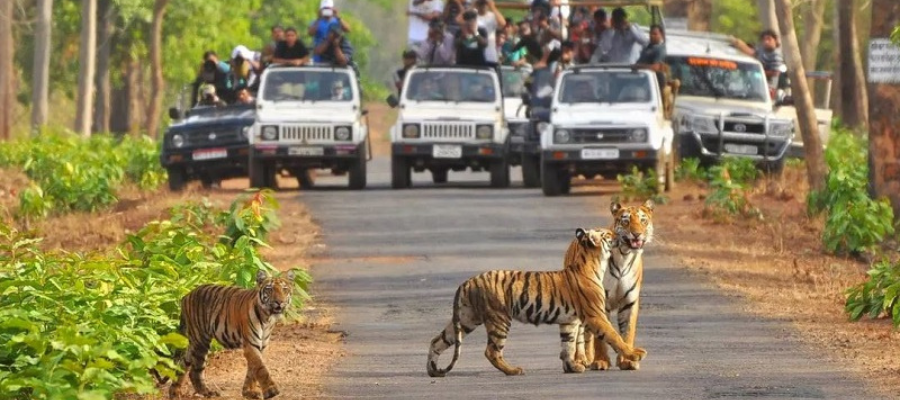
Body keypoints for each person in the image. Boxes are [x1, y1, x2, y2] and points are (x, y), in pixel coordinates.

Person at [469, 0, 506, 68]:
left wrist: (492, 6)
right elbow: (460, 20)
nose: (483, 5)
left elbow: (503, 23)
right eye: (481, 3)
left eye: (485, 3)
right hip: (473, 54)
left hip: (490, 55)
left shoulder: (492, 16)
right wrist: (473, 4)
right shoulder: (472, 15)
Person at [633, 24, 667, 90]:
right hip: (641, 81)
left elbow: (656, 67)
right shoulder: (647, 47)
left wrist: (638, 66)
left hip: (653, 84)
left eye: (655, 34)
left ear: (661, 35)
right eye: (650, 33)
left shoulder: (660, 49)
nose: (652, 36)